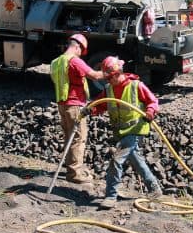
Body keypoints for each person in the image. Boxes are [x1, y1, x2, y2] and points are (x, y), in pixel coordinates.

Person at [83, 56, 163, 209]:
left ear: (118, 73)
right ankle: (154, 188)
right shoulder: (108, 89)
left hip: (136, 129)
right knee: (136, 160)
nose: (108, 81)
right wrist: (90, 109)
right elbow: (100, 105)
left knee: (116, 159)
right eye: (106, 78)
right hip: (121, 131)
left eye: (110, 78)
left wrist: (150, 111)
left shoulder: (136, 86)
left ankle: (111, 196)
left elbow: (153, 101)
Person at [50, 34, 105, 184]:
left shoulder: (56, 62)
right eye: (82, 50)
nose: (81, 54)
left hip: (62, 105)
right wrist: (111, 71)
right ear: (77, 46)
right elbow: (94, 75)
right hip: (75, 105)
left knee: (69, 137)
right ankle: (75, 174)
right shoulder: (74, 61)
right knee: (78, 139)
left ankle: (71, 168)